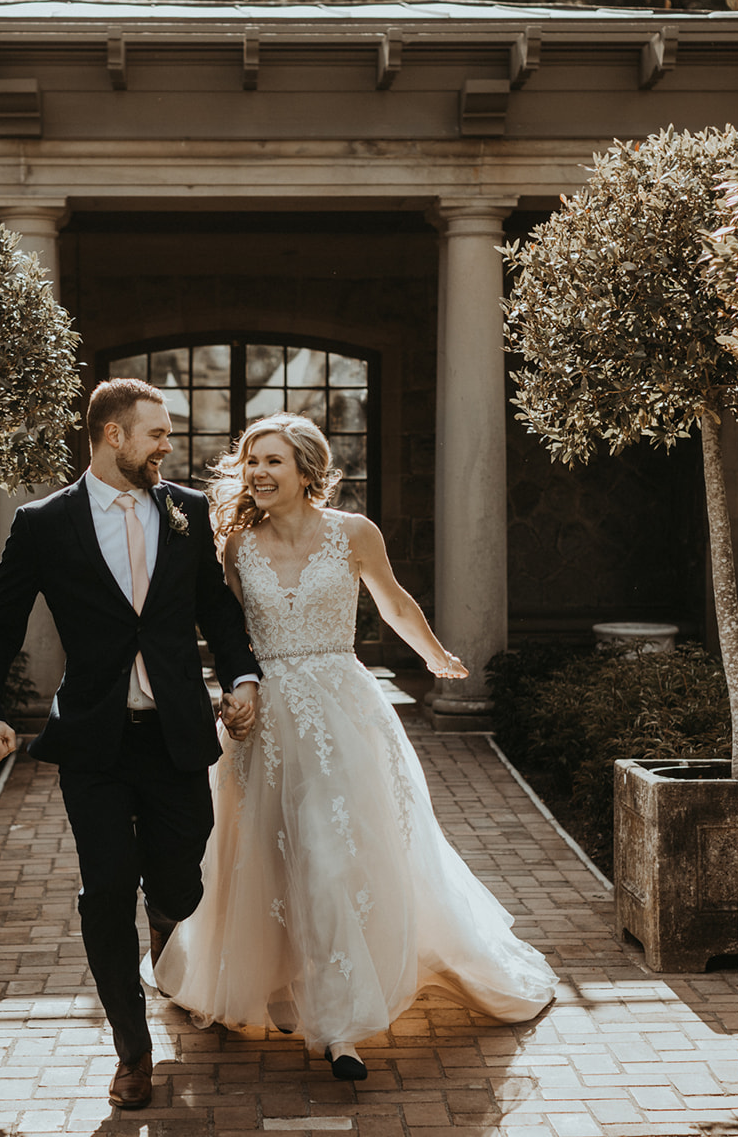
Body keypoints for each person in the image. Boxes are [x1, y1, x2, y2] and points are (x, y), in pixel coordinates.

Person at [153, 413, 558, 1081]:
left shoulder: (354, 534)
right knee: (266, 856)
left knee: (328, 853)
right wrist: (233, 690)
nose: (257, 472)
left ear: (308, 472)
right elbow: (231, 635)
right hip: (264, 722)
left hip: (341, 712)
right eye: (251, 460)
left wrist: (435, 655)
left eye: (273, 461)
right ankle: (282, 987)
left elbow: (394, 602)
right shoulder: (236, 546)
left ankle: (339, 1023)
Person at [0, 378, 262, 1111]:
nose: (167, 445)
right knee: (105, 893)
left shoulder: (187, 510)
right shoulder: (43, 524)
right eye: (155, 433)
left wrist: (244, 675)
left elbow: (217, 611)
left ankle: (168, 925)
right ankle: (132, 1049)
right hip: (94, 741)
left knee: (180, 878)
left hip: (177, 735)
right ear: (111, 436)